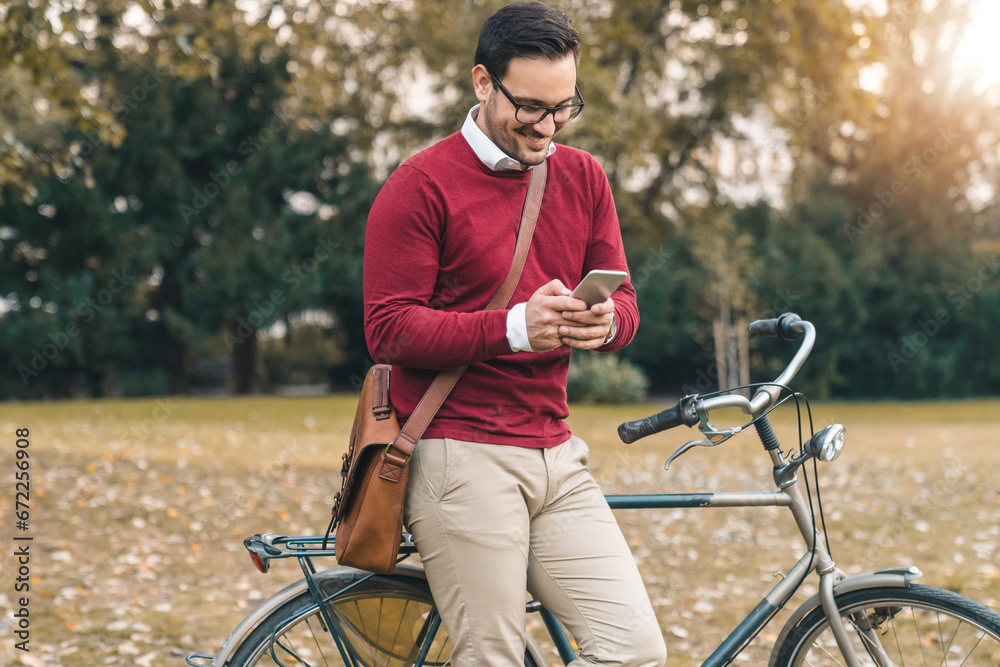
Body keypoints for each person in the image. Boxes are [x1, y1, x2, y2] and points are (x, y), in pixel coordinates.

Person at [363, 2, 667, 665]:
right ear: (482, 82)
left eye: (564, 106)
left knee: (634, 649)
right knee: (492, 656)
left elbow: (627, 302)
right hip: (459, 456)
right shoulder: (419, 186)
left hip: (557, 454)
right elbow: (389, 330)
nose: (548, 124)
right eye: (530, 105)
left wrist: (604, 321)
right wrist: (513, 328)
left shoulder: (583, 176)